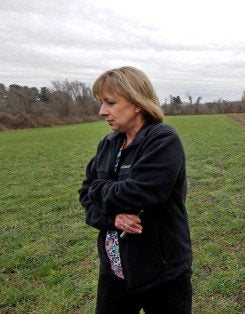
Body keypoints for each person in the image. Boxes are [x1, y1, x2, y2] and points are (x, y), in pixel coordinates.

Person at [79, 66, 192, 313]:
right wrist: (112, 218)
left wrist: (98, 188)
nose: (102, 111)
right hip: (115, 271)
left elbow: (140, 194)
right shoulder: (108, 143)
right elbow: (84, 196)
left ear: (137, 102)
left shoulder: (162, 139)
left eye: (110, 102)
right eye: (101, 103)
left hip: (162, 273)